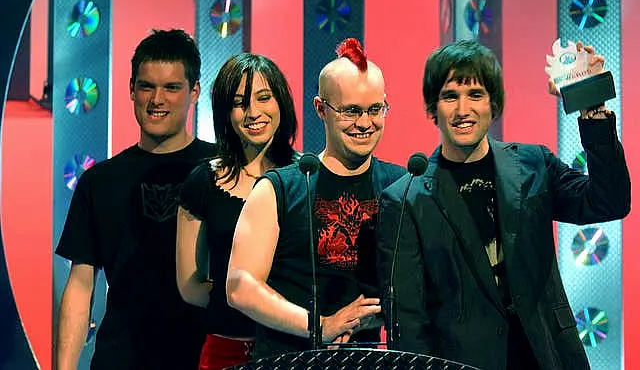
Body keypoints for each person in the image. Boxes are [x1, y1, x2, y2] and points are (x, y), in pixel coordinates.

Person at [376, 39, 631, 370]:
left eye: (475, 95)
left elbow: (608, 202)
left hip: (548, 355)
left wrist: (592, 110)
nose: (462, 109)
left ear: (493, 104)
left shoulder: (534, 163)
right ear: (433, 108)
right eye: (450, 96)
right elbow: (408, 323)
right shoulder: (405, 199)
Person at [226, 38, 405, 359]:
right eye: (351, 111)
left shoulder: (401, 185)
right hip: (288, 360)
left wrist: (377, 315)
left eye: (375, 109)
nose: (365, 123)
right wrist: (320, 325)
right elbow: (240, 285)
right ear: (321, 109)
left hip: (370, 359)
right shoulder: (280, 187)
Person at [55, 29, 216, 370]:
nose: (157, 99)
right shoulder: (98, 182)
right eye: (147, 86)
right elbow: (81, 285)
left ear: (195, 92)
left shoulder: (224, 170)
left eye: (172, 87)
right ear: (131, 90)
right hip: (121, 358)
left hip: (207, 358)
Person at [176, 53, 299, 370]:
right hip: (225, 350)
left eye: (263, 98)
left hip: (291, 350)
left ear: (281, 103)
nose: (253, 112)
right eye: (240, 102)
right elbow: (190, 286)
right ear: (225, 113)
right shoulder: (201, 181)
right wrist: (239, 298)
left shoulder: (307, 177)